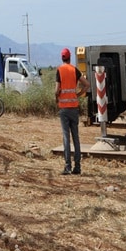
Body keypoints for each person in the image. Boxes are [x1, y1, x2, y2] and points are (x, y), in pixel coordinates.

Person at [56, 47, 89, 175]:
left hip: (64, 109)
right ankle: (78, 167)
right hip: (74, 107)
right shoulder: (74, 70)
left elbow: (56, 89)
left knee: (66, 137)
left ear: (62, 58)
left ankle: (67, 167)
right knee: (76, 137)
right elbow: (87, 84)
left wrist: (56, 98)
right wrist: (78, 94)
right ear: (70, 57)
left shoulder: (59, 70)